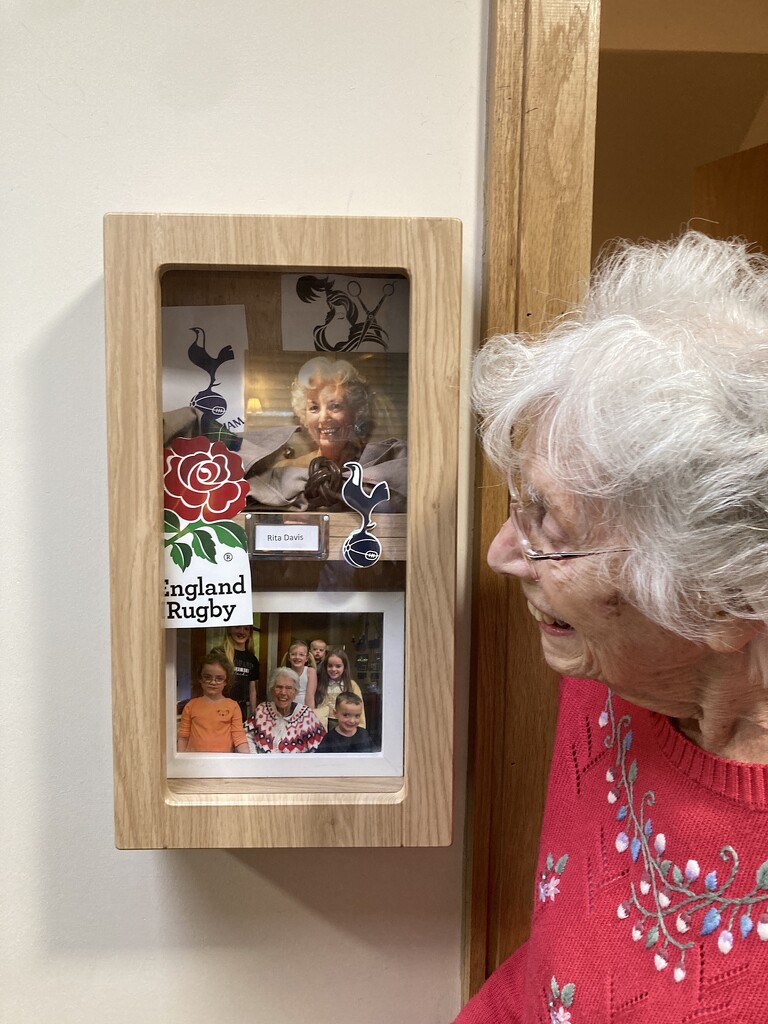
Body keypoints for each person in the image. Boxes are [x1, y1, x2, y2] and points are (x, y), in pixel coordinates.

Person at [456, 232, 768, 1023]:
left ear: (719, 600)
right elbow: (563, 967)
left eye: (549, 528)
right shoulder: (614, 677)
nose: (501, 555)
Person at [242, 356, 407, 511]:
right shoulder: (285, 472)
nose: (323, 418)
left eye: (335, 406)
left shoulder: (381, 463)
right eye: (314, 408)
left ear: (355, 412)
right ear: (304, 416)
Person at [177, 653, 249, 753]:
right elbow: (183, 737)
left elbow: (239, 738)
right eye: (207, 677)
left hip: (223, 763)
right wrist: (181, 762)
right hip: (195, 763)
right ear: (200, 678)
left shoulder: (233, 706)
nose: (213, 682)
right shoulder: (191, 706)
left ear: (226, 681)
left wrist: (246, 761)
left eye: (219, 678)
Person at [245, 667, 325, 753]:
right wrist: (254, 757)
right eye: (279, 687)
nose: (283, 692)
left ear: (296, 692)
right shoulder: (262, 711)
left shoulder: (307, 715)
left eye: (288, 688)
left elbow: (320, 748)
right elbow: (245, 736)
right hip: (263, 764)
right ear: (272, 690)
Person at [313, 647, 366, 732]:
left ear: (344, 667)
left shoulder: (351, 685)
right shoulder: (319, 684)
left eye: (338, 666)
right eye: (330, 666)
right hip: (322, 726)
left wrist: (360, 730)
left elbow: (360, 709)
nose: (333, 669)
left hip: (345, 726)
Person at [220, 623, 261, 720]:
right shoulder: (220, 654)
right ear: (229, 629)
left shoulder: (252, 659)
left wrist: (253, 712)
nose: (242, 632)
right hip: (221, 707)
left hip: (241, 708)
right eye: (237, 627)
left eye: (246, 629)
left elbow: (252, 689)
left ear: (250, 633)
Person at [279, 639, 317, 707]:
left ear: (306, 658)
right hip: (287, 708)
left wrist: (309, 714)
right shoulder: (284, 673)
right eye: (293, 654)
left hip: (304, 709)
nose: (297, 657)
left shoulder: (310, 672)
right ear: (289, 657)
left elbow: (310, 697)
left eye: (301, 655)